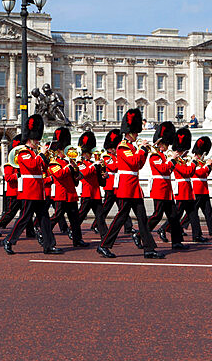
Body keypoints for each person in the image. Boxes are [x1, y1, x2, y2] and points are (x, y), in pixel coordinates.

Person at [97, 108, 162, 259]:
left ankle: (149, 248)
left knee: (142, 218)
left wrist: (144, 152)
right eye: (135, 132)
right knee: (120, 218)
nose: (137, 135)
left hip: (134, 187)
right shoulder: (122, 147)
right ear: (129, 132)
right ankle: (104, 245)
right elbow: (133, 162)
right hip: (127, 187)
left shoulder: (132, 147)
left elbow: (138, 165)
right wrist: (141, 150)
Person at [3, 114, 61, 255]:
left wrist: (45, 156)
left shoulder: (33, 153)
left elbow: (42, 167)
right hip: (30, 190)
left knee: (44, 219)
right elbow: (32, 165)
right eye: (36, 139)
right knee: (24, 218)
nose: (38, 141)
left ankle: (49, 245)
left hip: (38, 190)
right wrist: (41, 154)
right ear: (30, 139)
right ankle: (9, 240)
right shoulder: (23, 152)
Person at [146, 121, 187, 250]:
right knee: (157, 215)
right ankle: (141, 234)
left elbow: (169, 170)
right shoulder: (154, 155)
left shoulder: (163, 156)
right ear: (159, 143)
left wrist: (175, 161)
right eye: (165, 144)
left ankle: (176, 242)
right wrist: (172, 160)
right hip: (159, 189)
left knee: (174, 216)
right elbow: (163, 169)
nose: (167, 147)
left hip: (167, 190)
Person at [45, 126, 87, 248]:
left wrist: (76, 172)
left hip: (71, 194)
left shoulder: (68, 162)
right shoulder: (54, 162)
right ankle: (43, 231)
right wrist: (69, 167)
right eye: (63, 150)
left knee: (75, 219)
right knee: (57, 217)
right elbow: (59, 174)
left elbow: (75, 176)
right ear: (59, 151)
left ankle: (77, 240)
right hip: (61, 194)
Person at [75, 131, 104, 230]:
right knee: (81, 215)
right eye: (89, 153)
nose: (91, 155)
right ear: (84, 153)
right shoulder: (80, 162)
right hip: (87, 193)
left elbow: (98, 176)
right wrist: (94, 165)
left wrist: (104, 174)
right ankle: (73, 229)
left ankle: (105, 236)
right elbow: (84, 173)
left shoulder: (93, 163)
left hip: (96, 193)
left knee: (100, 217)